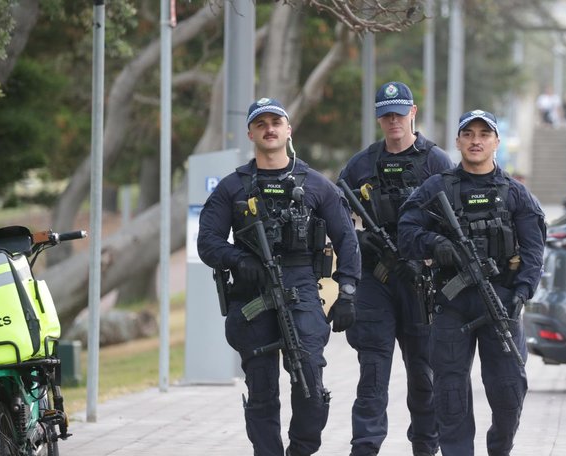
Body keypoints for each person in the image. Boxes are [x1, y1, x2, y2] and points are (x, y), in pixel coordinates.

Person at [197, 97, 361, 456]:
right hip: (252, 292)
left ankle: (301, 449)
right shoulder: (232, 187)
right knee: (262, 390)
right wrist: (240, 260)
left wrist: (347, 292)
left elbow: (347, 240)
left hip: (301, 288)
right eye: (261, 124)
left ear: (288, 130)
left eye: (275, 123)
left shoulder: (316, 185)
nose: (269, 129)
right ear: (250, 134)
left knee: (310, 385)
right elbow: (207, 241)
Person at [397, 109, 546, 456]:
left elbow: (534, 250)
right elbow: (406, 232)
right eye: (468, 134)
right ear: (458, 141)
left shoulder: (515, 193)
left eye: (483, 134)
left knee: (509, 392)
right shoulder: (437, 188)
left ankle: (500, 449)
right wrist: (436, 244)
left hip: (502, 302)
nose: (475, 141)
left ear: (496, 141)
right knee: (450, 394)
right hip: (452, 303)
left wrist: (522, 292)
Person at [338, 81, 452, 456]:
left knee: (423, 372)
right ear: (378, 119)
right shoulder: (361, 164)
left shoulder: (437, 163)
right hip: (376, 280)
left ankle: (426, 446)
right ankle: (365, 447)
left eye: (399, 114)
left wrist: (429, 252)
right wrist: (358, 240)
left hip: (421, 281)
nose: (393, 121)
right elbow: (334, 217)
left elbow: (456, 222)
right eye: (386, 115)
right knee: (372, 371)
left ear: (412, 113)